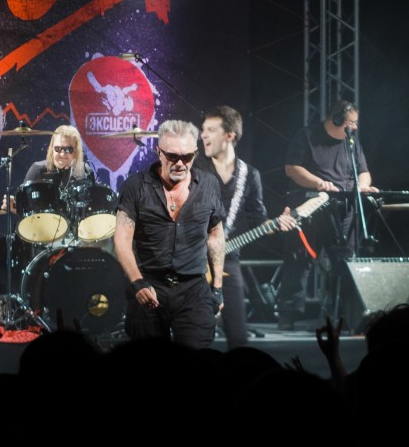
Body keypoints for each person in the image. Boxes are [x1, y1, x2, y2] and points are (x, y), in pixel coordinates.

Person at [113, 119, 226, 349]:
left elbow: (215, 236)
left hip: (193, 288)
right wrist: (137, 283)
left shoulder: (208, 185)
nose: (180, 163)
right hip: (149, 284)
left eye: (187, 157)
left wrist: (217, 287)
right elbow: (122, 240)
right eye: (172, 156)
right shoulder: (136, 186)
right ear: (159, 152)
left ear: (195, 153)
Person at [194, 106, 298, 349]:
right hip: (192, 258)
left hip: (228, 258)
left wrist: (278, 224)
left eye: (211, 130)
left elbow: (259, 221)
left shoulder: (249, 175)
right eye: (203, 129)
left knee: (238, 337)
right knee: (196, 338)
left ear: (229, 136)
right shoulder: (194, 168)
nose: (203, 135)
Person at [275, 100, 378, 330]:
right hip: (310, 209)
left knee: (345, 264)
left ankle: (344, 316)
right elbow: (292, 168)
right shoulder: (307, 136)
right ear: (337, 119)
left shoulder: (351, 143)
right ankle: (288, 316)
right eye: (352, 122)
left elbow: (364, 172)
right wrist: (319, 183)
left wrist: (362, 186)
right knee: (298, 262)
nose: (355, 127)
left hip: (343, 213)